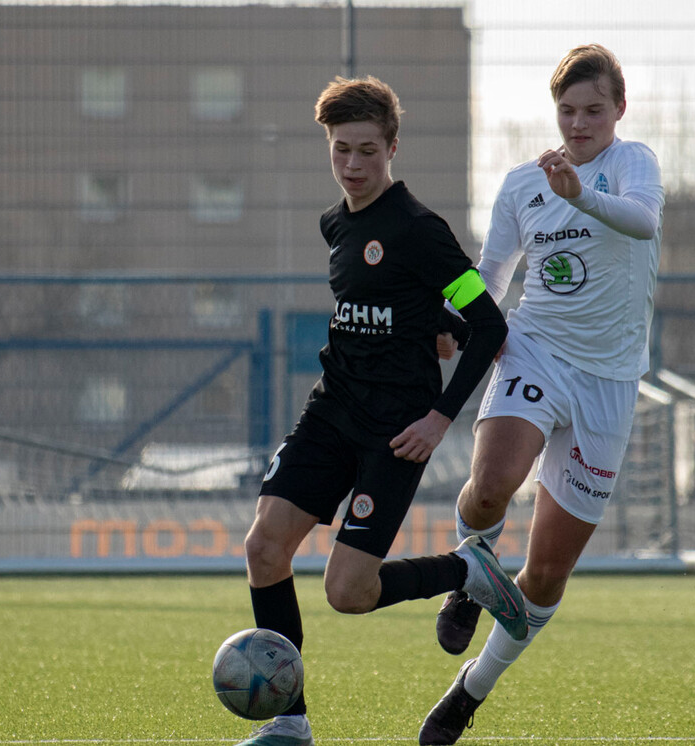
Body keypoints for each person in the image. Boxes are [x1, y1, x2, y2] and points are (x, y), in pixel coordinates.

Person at [237, 75, 527, 746]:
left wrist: (439, 418)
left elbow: (487, 324)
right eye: (341, 150)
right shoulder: (334, 223)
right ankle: (289, 721)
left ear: (392, 147)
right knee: (263, 548)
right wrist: (428, 323)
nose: (354, 165)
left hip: (395, 432)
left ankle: (468, 571)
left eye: (368, 150)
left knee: (350, 592)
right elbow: (403, 303)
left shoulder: (422, 231)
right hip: (330, 410)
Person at [418, 44, 665, 746]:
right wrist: (458, 320)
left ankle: (469, 691)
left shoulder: (634, 163)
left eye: (593, 110)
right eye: (567, 110)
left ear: (619, 109)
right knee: (491, 484)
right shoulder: (523, 184)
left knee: (548, 574)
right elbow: (490, 274)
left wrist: (580, 195)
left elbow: (642, 221)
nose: (579, 123)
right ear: (554, 112)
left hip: (609, 384)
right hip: (536, 352)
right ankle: (470, 567)